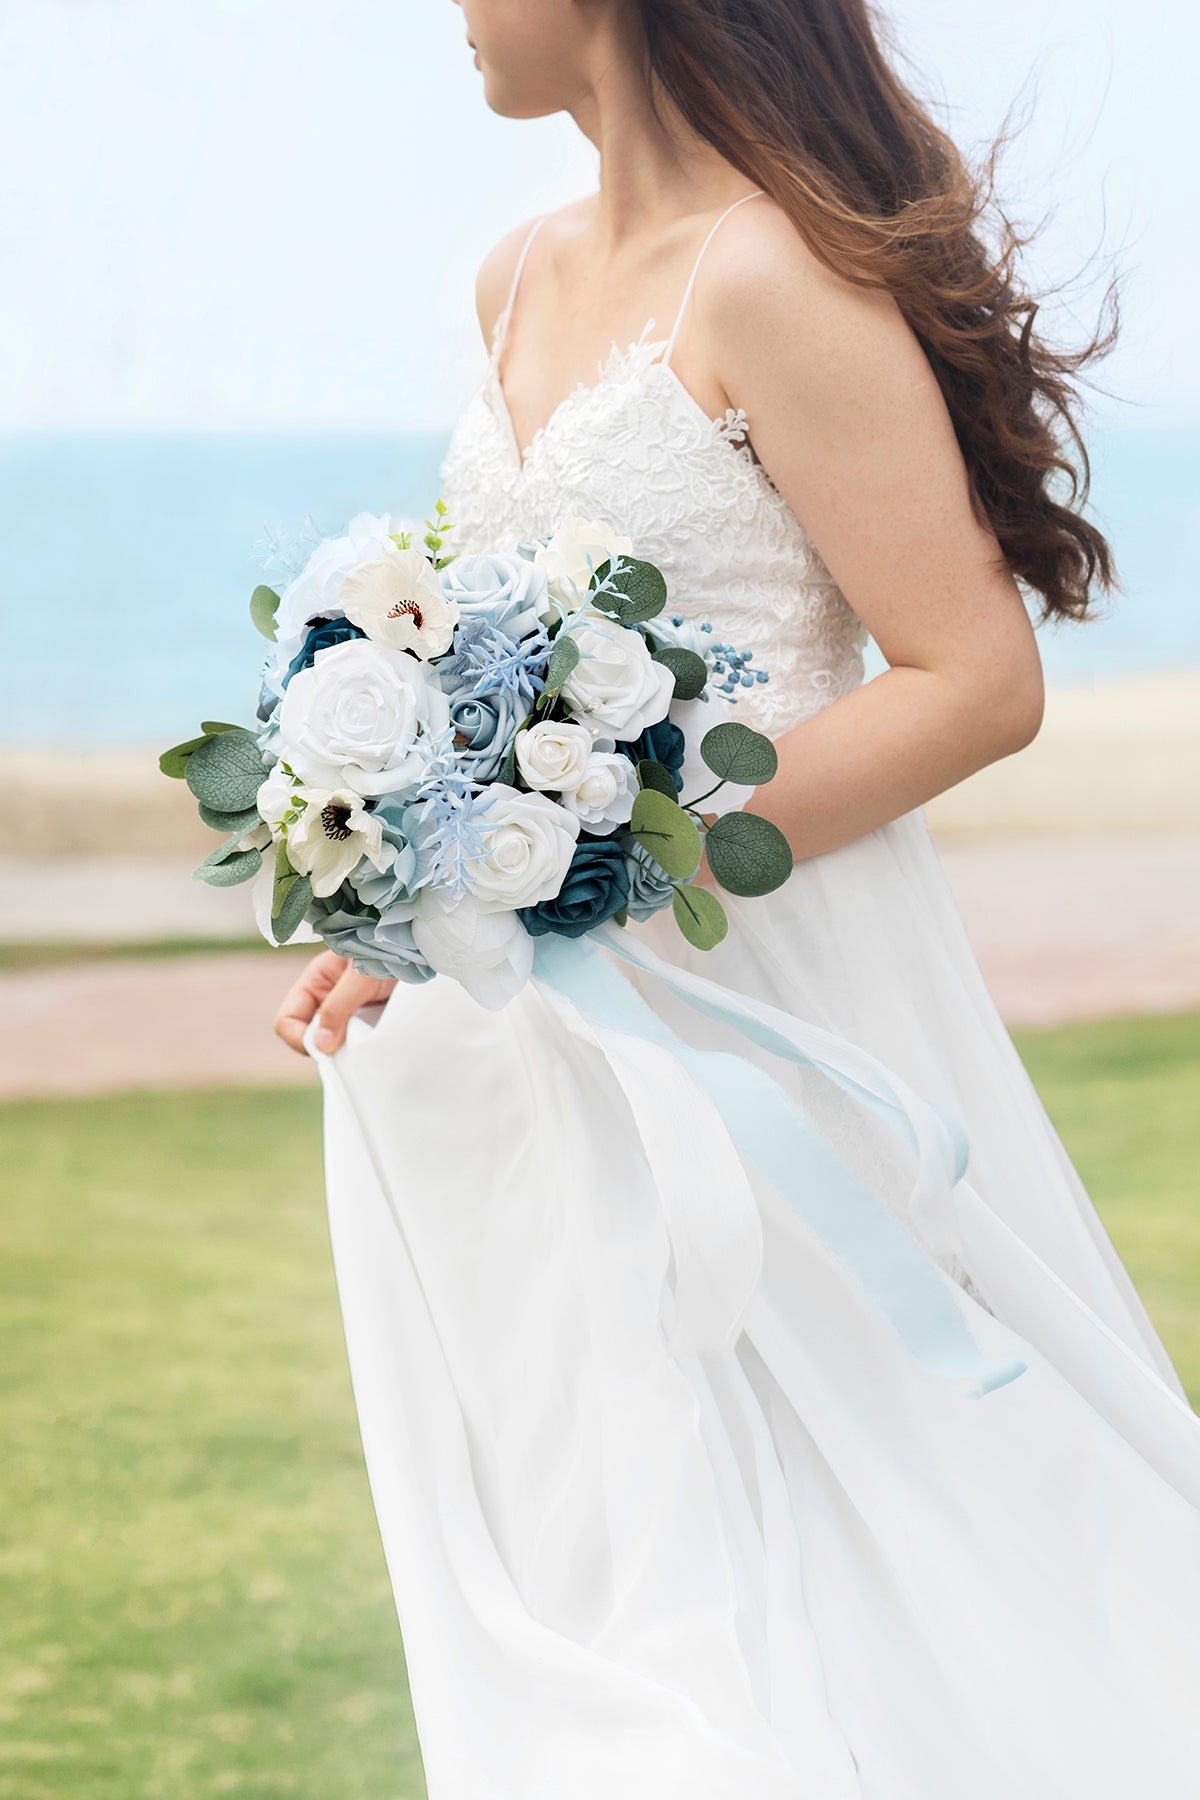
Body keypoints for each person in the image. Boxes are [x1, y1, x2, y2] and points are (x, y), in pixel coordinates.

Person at [274, 3, 1200, 1793]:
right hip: (545, 1050)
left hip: (765, 994)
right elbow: (497, 692)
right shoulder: (516, 279)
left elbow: (972, 674)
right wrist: (401, 904)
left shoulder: (771, 275)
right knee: (621, 1546)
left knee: (886, 1494)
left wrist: (629, 857)